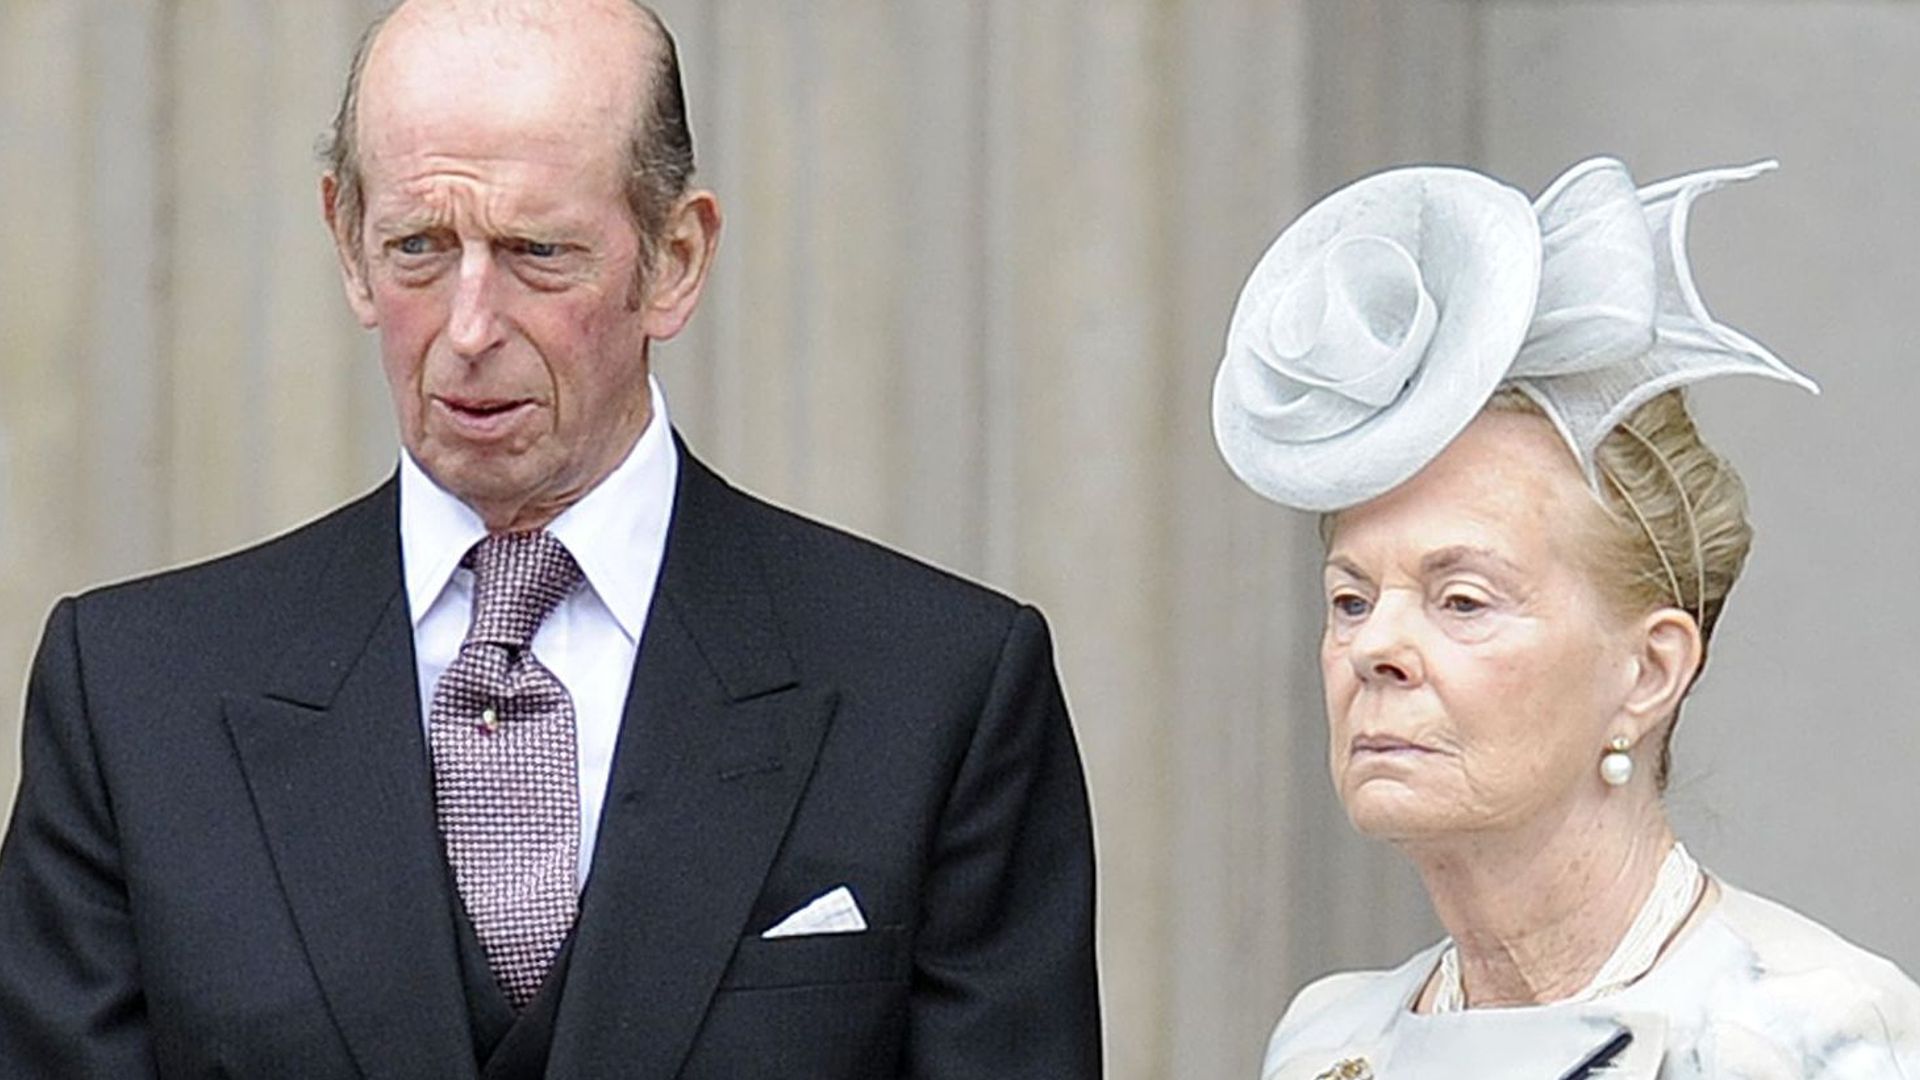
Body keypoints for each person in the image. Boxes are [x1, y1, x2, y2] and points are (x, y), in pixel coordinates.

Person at [0, 1, 1101, 1076]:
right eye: (419, 247)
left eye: (537, 251)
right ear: (347, 242)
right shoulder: (134, 698)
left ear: (674, 258)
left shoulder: (938, 689)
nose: (470, 327)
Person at [1212, 155, 1920, 1078]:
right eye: (1350, 599)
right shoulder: (1328, 1044)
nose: (1374, 646)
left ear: (1650, 671)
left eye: (1461, 599)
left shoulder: (1815, 1035)